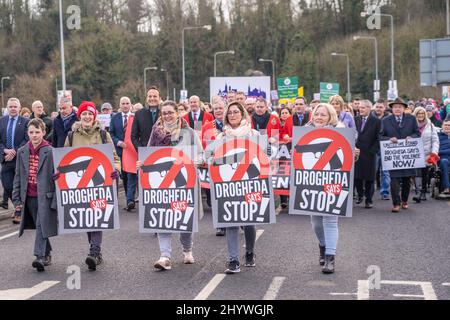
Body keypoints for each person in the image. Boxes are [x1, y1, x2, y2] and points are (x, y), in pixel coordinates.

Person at [143, 100, 204, 271]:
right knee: (164, 216)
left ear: (178, 113)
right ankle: (165, 256)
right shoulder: (155, 133)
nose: (168, 116)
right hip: (162, 183)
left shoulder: (189, 132)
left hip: (184, 181)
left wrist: (196, 162)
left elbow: (200, 154)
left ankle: (187, 249)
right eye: (165, 113)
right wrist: (143, 163)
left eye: (171, 112)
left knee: (185, 217)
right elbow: (149, 153)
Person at [62, 101, 121, 270]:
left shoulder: (103, 134)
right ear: (79, 116)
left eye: (90, 114)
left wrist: (116, 169)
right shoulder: (72, 135)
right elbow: (65, 158)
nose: (87, 117)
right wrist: (60, 173)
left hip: (100, 183)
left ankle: (94, 251)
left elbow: (114, 157)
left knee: (97, 216)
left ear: (94, 116)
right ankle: (96, 251)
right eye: (84, 114)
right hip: (80, 184)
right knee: (86, 217)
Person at [306, 103, 359, 274]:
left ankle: (330, 257)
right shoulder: (304, 132)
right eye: (317, 114)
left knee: (330, 220)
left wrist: (354, 153)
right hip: (312, 181)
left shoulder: (341, 132)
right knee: (315, 222)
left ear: (331, 117)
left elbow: (347, 160)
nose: (319, 117)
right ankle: (323, 245)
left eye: (323, 115)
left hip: (333, 181)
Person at [215, 101, 259, 274]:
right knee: (230, 221)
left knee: (248, 222)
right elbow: (213, 158)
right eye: (230, 113)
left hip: (248, 182)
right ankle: (233, 260)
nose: (232, 115)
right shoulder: (221, 137)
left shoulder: (253, 134)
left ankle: (249, 252)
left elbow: (266, 155)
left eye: (236, 112)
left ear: (242, 114)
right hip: (228, 184)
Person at [12, 118, 57, 272]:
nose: (34, 135)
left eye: (37, 132)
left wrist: (56, 199)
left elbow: (56, 176)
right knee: (41, 226)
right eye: (31, 132)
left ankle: (39, 256)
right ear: (27, 133)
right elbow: (18, 175)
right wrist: (16, 197)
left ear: (43, 133)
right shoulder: (22, 151)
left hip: (45, 196)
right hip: (29, 196)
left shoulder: (50, 151)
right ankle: (47, 252)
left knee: (40, 224)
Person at [380, 98, 420, 213]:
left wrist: (412, 137)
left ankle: (404, 200)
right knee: (394, 180)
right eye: (395, 107)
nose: (397, 109)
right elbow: (381, 136)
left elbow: (417, 133)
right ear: (392, 108)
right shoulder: (385, 120)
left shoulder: (412, 119)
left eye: (400, 107)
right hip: (393, 157)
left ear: (404, 108)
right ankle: (396, 204)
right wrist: (389, 139)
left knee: (407, 180)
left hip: (407, 156)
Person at [0, 98, 29, 219]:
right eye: (10, 106)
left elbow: (27, 139)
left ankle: (19, 210)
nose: (12, 108)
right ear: (7, 107)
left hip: (20, 159)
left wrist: (15, 151)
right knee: (7, 185)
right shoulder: (1, 121)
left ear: (19, 108)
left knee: (20, 186)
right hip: (5, 159)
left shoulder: (26, 121)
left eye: (15, 106)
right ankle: (19, 206)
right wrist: (5, 150)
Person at [201, 98, 226, 236]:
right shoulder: (207, 126)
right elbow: (203, 145)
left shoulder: (232, 123)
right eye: (215, 109)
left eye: (220, 108)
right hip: (214, 165)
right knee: (218, 196)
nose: (218, 111)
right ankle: (220, 225)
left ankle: (238, 221)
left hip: (232, 165)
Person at [110, 97, 136, 211]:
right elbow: (111, 133)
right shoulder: (115, 118)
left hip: (132, 152)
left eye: (127, 103)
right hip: (120, 151)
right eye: (123, 104)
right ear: (120, 105)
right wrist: (118, 142)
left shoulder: (135, 118)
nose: (125, 105)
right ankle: (128, 197)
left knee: (131, 176)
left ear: (130, 105)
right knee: (124, 177)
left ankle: (130, 200)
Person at [354, 100, 381, 209]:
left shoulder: (376, 121)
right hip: (357, 153)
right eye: (359, 108)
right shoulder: (355, 119)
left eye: (363, 108)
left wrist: (373, 150)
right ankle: (360, 195)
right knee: (357, 177)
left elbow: (378, 137)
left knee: (370, 178)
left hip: (370, 153)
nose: (360, 109)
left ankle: (369, 200)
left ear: (369, 108)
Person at [412, 107, 440, 203]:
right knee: (416, 173)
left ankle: (423, 191)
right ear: (415, 114)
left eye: (422, 114)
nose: (420, 115)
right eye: (418, 114)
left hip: (426, 154)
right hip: (414, 154)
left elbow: (435, 141)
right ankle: (418, 192)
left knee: (424, 173)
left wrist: (434, 153)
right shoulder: (411, 125)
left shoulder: (430, 125)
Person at [437, 118, 450, 197]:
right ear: (442, 126)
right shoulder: (438, 136)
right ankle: (447, 187)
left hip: (443, 155)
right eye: (445, 125)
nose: (447, 127)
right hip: (442, 159)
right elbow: (436, 150)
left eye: (449, 125)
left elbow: (439, 151)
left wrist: (441, 151)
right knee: (444, 161)